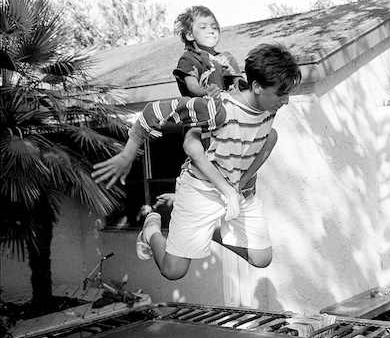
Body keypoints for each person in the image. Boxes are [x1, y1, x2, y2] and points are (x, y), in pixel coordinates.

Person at [92, 43, 301, 281]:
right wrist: (128, 154)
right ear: (256, 87)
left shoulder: (269, 108)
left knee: (261, 258)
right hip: (201, 189)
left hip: (235, 188)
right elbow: (154, 113)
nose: (286, 101)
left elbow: (265, 140)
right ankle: (150, 228)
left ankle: (208, 230)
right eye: (281, 93)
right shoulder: (216, 109)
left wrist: (238, 187)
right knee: (173, 271)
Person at [173, 5, 245, 97]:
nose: (211, 31)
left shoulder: (226, 58)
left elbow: (240, 83)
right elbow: (193, 87)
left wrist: (231, 70)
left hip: (227, 104)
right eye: (203, 27)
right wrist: (207, 91)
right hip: (202, 107)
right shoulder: (188, 59)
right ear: (190, 35)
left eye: (214, 27)